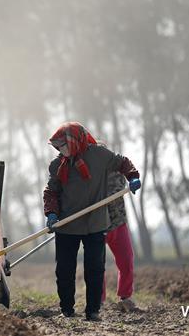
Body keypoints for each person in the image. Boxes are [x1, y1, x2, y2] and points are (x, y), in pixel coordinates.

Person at [42, 122, 141, 322]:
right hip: (67, 225)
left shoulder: (100, 156)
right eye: (58, 147)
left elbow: (122, 162)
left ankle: (93, 310)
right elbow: (51, 192)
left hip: (95, 224)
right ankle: (67, 309)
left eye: (63, 145)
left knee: (95, 269)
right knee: (65, 271)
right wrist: (51, 214)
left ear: (75, 141)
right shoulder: (58, 165)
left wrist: (133, 177)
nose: (60, 150)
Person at [103, 172, 137, 312]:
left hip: (118, 222)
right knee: (96, 264)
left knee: (126, 260)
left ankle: (125, 297)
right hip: (97, 224)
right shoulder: (88, 167)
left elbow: (130, 168)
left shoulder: (117, 164)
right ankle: (97, 300)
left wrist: (133, 177)